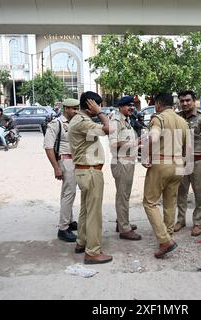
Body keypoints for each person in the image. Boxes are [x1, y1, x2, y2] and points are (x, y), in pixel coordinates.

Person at [68, 91, 113, 264]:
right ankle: (92, 252)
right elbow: (108, 129)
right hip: (90, 172)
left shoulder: (78, 120)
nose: (100, 108)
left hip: (85, 171)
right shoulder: (83, 122)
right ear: (90, 105)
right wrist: (100, 113)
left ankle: (81, 242)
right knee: (94, 213)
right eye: (97, 105)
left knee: (86, 210)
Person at [142, 93, 188, 258]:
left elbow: (153, 137)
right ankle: (168, 234)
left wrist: (146, 157)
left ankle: (164, 240)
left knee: (149, 203)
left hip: (161, 164)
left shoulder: (159, 118)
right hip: (178, 165)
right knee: (170, 201)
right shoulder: (183, 121)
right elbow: (186, 148)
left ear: (159, 104)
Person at [175, 90, 201, 236]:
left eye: (188, 100)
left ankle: (198, 223)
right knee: (181, 193)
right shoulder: (177, 117)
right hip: (181, 162)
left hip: (198, 161)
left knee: (199, 194)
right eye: (182, 101)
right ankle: (180, 220)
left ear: (194, 101)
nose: (185, 103)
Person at [43, 98, 79, 243]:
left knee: (68, 192)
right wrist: (56, 167)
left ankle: (69, 221)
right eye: (73, 108)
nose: (76, 111)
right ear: (66, 109)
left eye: (77, 108)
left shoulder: (74, 123)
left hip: (75, 161)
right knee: (69, 193)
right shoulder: (56, 123)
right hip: (65, 160)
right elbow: (48, 146)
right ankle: (63, 228)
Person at [109, 96, 142, 240]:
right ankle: (124, 229)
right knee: (123, 195)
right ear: (120, 107)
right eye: (128, 105)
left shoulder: (127, 120)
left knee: (124, 195)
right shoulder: (115, 121)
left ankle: (122, 222)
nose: (131, 108)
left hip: (128, 162)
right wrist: (134, 143)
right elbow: (113, 143)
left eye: (132, 105)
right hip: (121, 162)